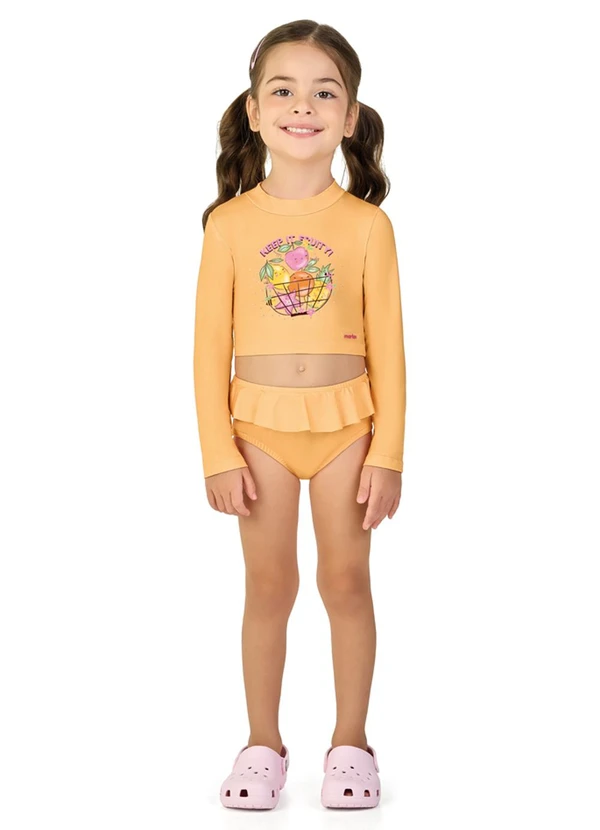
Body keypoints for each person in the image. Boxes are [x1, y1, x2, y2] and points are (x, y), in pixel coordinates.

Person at [193, 19, 406, 811]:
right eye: (283, 90)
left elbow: (391, 348)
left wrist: (389, 453)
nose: (303, 106)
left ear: (350, 116)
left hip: (350, 429)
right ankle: (262, 745)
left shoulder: (368, 226)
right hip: (258, 434)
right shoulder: (228, 225)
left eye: (325, 93)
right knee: (269, 586)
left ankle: (351, 742)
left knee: (346, 581)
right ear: (255, 111)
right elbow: (208, 348)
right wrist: (218, 451)